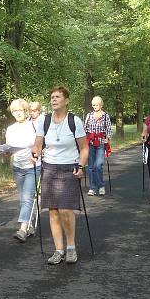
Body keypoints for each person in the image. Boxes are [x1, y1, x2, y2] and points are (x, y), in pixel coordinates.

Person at [31, 87, 89, 265]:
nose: (54, 99)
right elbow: (38, 144)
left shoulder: (74, 121)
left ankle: (71, 248)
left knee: (65, 209)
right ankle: (58, 250)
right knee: (53, 211)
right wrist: (34, 153)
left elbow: (84, 148)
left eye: (58, 97)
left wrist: (81, 166)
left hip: (69, 168)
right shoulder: (44, 120)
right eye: (52, 97)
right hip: (49, 168)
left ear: (66, 100)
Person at [4, 98, 39, 242]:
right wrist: (7, 153)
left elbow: (41, 144)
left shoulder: (34, 126)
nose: (17, 113)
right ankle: (30, 224)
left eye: (20, 110)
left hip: (33, 166)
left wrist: (36, 154)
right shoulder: (11, 129)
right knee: (23, 198)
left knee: (27, 197)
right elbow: (9, 148)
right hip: (18, 167)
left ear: (26, 111)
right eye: (14, 111)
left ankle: (22, 229)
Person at [83, 96, 113, 196]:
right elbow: (85, 128)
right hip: (91, 143)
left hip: (101, 143)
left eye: (97, 105)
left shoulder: (105, 116)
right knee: (91, 166)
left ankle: (101, 186)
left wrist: (107, 138)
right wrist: (85, 139)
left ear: (101, 105)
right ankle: (92, 187)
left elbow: (109, 129)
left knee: (98, 165)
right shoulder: (89, 115)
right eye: (94, 105)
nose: (95, 106)